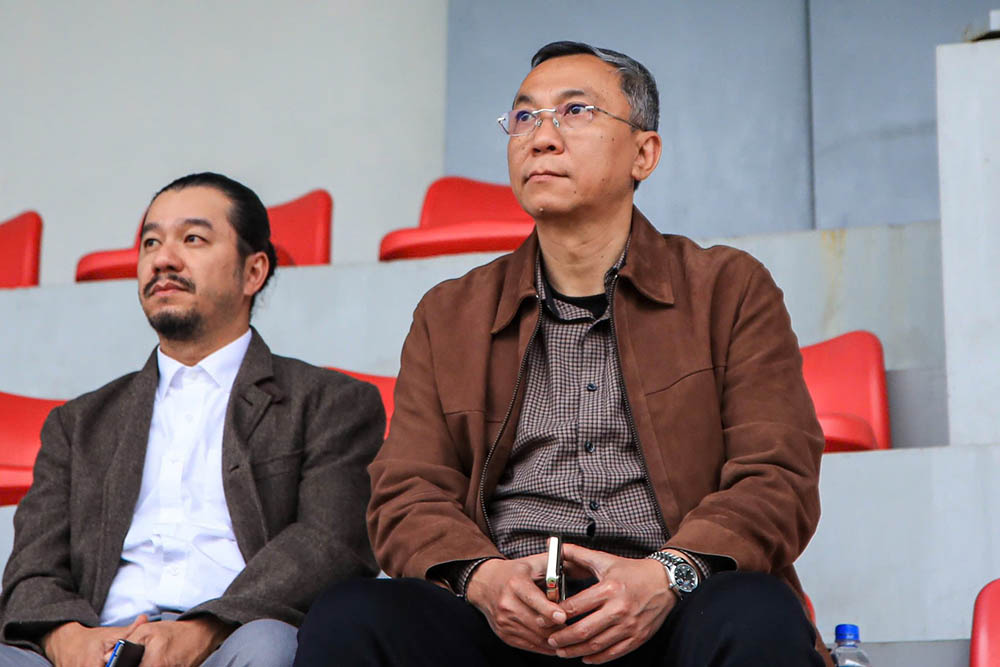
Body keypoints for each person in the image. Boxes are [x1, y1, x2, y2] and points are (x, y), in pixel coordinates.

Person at [295, 41, 829, 667]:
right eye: (524, 117)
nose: (540, 137)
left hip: (672, 607)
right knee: (352, 616)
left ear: (643, 153)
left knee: (756, 612)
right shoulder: (450, 313)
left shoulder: (728, 289)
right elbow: (407, 491)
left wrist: (667, 574)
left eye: (575, 112)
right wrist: (482, 579)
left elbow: (777, 475)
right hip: (505, 623)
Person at [0, 172, 384, 667]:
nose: (163, 258)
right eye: (151, 242)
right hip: (95, 641)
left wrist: (205, 627)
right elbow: (31, 570)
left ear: (253, 271)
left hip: (234, 639)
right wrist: (66, 640)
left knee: (272, 648)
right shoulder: (79, 424)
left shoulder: (330, 403)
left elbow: (330, 545)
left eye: (193, 239)